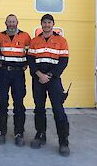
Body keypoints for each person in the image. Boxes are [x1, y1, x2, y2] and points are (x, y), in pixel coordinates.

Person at [28, 14, 70, 157]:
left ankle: (63, 141)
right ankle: (40, 135)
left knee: (58, 110)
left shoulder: (62, 41)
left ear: (53, 24)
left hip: (54, 80)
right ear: (41, 24)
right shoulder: (34, 41)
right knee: (39, 109)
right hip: (38, 80)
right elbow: (31, 61)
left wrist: (50, 76)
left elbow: (63, 62)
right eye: (44, 22)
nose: (46, 25)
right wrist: (39, 75)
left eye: (49, 22)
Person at [0, 14, 31, 146]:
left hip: (18, 75)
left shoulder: (25, 36)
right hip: (4, 73)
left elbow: (30, 53)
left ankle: (19, 133)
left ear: (17, 22)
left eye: (13, 22)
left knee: (19, 104)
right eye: (9, 22)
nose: (11, 24)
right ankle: (1, 131)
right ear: (5, 23)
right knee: (2, 103)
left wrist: (26, 64)